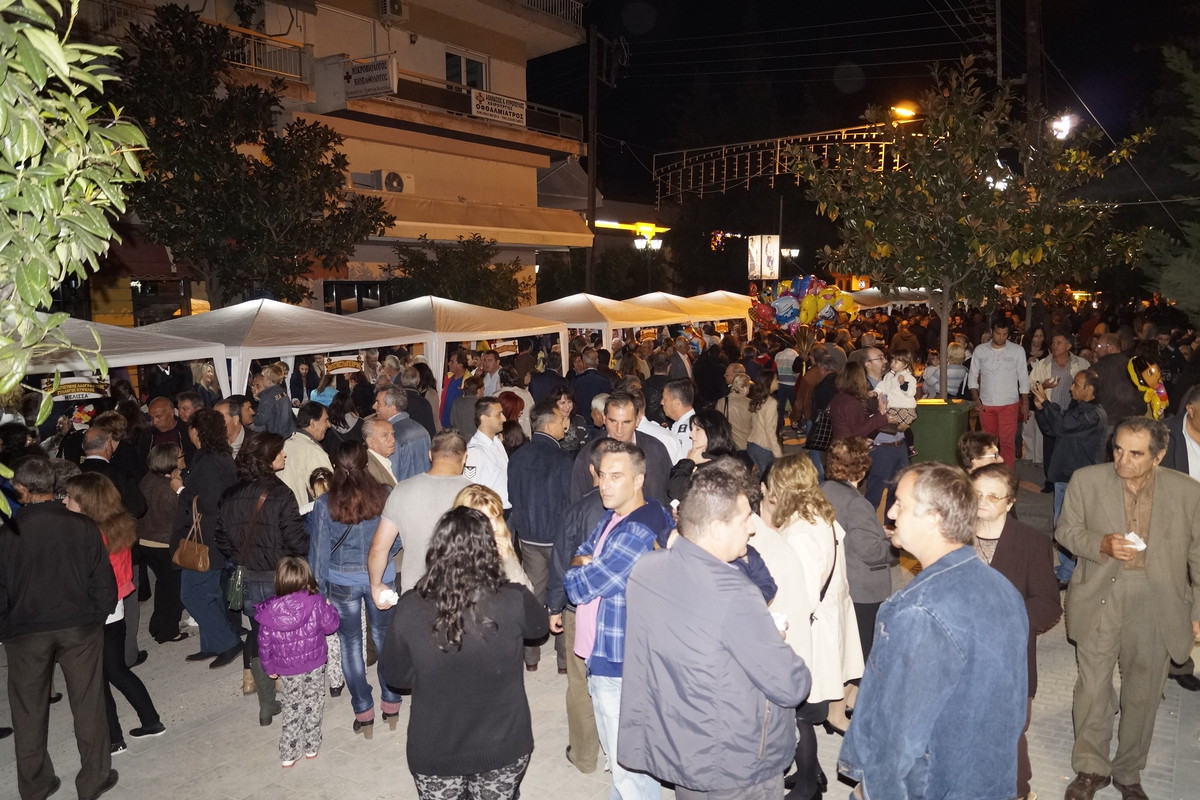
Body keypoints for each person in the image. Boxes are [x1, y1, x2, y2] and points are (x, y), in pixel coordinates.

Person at [619, 465, 811, 800]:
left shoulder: (646, 570)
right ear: (718, 528)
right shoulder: (735, 594)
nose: (752, 528)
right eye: (745, 519)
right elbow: (791, 685)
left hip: (681, 748)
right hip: (737, 763)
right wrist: (772, 638)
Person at [839, 462, 1028, 799]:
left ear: (934, 517)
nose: (891, 513)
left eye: (900, 503)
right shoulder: (1003, 588)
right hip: (987, 781)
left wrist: (871, 790)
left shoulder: (920, 610)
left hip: (931, 787)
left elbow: (899, 732)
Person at [1055, 417, 1200, 800]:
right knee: (1092, 689)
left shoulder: (1187, 491)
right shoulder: (1086, 480)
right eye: (1118, 449)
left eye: (1135, 454)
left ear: (1159, 456)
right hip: (1101, 594)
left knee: (1143, 692)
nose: (1122, 460)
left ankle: (1128, 771)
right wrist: (1100, 543)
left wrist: (1198, 611)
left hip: (1157, 602)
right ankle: (1090, 768)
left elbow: (1199, 555)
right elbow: (1065, 530)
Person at [381, 507, 549, 800]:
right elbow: (539, 629)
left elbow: (396, 677)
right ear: (489, 550)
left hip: (436, 750)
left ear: (437, 550)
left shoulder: (409, 607)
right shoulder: (514, 599)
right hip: (503, 746)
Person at [2, 457, 120, 800]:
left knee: (27, 712)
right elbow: (102, 580)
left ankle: (36, 785)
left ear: (20, 489)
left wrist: (6, 627)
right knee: (88, 704)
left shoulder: (6, 535)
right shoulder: (81, 525)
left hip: (25, 631)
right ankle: (93, 779)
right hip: (79, 626)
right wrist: (97, 616)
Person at [564, 440, 674, 800]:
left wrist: (582, 567)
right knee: (628, 764)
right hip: (617, 654)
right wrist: (586, 562)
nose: (605, 485)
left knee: (627, 767)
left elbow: (579, 587)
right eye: (602, 475)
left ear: (638, 480)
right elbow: (582, 551)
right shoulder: (621, 515)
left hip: (618, 662)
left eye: (616, 476)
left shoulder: (635, 531)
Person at [766, 454, 862, 793]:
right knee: (803, 709)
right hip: (829, 622)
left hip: (811, 632)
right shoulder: (822, 517)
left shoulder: (799, 533)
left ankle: (807, 784)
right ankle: (813, 772)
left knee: (799, 713)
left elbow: (802, 597)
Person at [971, 464, 1062, 799]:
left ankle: (1018, 792)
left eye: (992, 497)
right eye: (977, 494)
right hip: (959, 658)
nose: (982, 502)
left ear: (1010, 502)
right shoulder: (952, 535)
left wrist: (1002, 619)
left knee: (1007, 734)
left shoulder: (1031, 543)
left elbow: (1048, 605)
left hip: (1008, 661)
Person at [65, 474, 166, 756]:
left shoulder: (89, 535)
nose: (64, 501)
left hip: (95, 612)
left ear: (85, 502)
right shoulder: (117, 525)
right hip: (115, 609)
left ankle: (114, 738)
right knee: (117, 671)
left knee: (98, 678)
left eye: (70, 497)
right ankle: (151, 721)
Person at [307, 441, 400, 738]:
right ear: (365, 464)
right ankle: (391, 704)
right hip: (381, 577)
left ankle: (363, 711)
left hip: (342, 581)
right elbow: (397, 538)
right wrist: (384, 559)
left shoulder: (325, 503)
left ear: (335, 466)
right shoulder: (385, 495)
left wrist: (319, 592)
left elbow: (319, 552)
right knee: (384, 638)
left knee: (350, 645)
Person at [215, 431, 309, 726]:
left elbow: (221, 538)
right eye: (280, 451)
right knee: (290, 638)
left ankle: (267, 704)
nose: (285, 455)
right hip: (279, 579)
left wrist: (241, 558)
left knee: (259, 634)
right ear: (268, 458)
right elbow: (296, 541)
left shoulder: (229, 495)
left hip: (248, 579)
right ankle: (297, 699)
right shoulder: (281, 494)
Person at [821, 437, 892, 717]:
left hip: (841, 580)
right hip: (864, 588)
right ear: (861, 469)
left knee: (849, 650)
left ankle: (850, 702)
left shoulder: (824, 490)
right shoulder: (857, 503)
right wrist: (892, 542)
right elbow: (870, 551)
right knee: (862, 652)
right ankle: (838, 711)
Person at [173, 409, 242, 670]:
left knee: (192, 594)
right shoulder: (218, 456)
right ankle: (212, 643)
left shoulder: (210, 460)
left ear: (196, 432)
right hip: (214, 535)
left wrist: (180, 489)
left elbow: (210, 502)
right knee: (209, 592)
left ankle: (227, 642)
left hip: (206, 537)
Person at [255, 556, 340, 767]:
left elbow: (264, 644)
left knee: (292, 705)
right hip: (314, 663)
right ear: (307, 578)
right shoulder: (317, 602)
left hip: (287, 669)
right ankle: (311, 745)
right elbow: (331, 627)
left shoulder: (269, 612)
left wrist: (269, 667)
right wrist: (330, 608)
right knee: (313, 702)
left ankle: (289, 752)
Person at [507, 401, 572, 671]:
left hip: (529, 538)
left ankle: (531, 657)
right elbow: (570, 502)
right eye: (561, 420)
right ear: (549, 423)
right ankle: (563, 660)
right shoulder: (563, 460)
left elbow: (512, 496)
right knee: (563, 594)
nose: (565, 425)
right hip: (557, 539)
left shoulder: (517, 457)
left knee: (534, 594)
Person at [369, 428, 471, 597]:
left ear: (430, 455)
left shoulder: (402, 490)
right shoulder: (477, 494)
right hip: (464, 591)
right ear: (465, 456)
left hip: (416, 593)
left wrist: (376, 584)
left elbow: (379, 548)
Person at [1159, 384, 1200, 691]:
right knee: (1173, 597)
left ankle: (1179, 660)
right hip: (1172, 530)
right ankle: (1171, 662)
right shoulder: (1165, 435)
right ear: (1190, 409)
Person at [136, 444, 187, 644]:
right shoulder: (168, 488)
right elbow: (183, 515)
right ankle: (168, 631)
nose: (184, 457)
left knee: (163, 585)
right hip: (164, 545)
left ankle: (157, 625)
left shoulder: (147, 478)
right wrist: (181, 490)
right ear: (171, 461)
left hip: (145, 542)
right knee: (172, 590)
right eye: (181, 456)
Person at [967, 317, 1030, 466]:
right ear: (992, 332)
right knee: (989, 443)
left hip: (1009, 403)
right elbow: (972, 376)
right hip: (986, 404)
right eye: (997, 333)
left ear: (1008, 334)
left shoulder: (1017, 351)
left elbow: (1023, 377)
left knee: (1007, 442)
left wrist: (1025, 403)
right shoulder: (980, 350)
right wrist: (976, 398)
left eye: (1004, 334)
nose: (1000, 337)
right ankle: (991, 472)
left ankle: (1006, 473)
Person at [454, 484, 532, 589]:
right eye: (487, 520)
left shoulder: (501, 542)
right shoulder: (453, 552)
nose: (494, 527)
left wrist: (508, 560)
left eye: (496, 518)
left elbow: (527, 593)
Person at [278, 401, 334, 510]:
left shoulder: (285, 444)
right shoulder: (314, 452)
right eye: (325, 420)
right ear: (313, 423)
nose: (329, 425)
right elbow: (327, 493)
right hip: (304, 515)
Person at [374, 386, 431, 483]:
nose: (374, 406)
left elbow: (390, 477)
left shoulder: (390, 436)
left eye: (378, 403)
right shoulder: (423, 430)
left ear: (392, 407)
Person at [746, 369, 783, 474]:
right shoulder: (771, 403)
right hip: (763, 446)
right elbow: (770, 429)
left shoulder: (757, 400)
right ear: (769, 382)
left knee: (764, 476)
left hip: (752, 443)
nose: (778, 381)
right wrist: (777, 452)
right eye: (776, 379)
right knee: (770, 478)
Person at [661, 378, 697, 464]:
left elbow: (680, 463)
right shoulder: (689, 423)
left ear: (677, 403)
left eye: (664, 399)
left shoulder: (685, 431)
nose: (661, 402)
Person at [254, 365, 295, 437]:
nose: (262, 380)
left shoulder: (268, 396)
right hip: (288, 430)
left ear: (269, 381)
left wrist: (253, 419)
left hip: (275, 433)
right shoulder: (283, 392)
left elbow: (263, 417)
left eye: (263, 378)